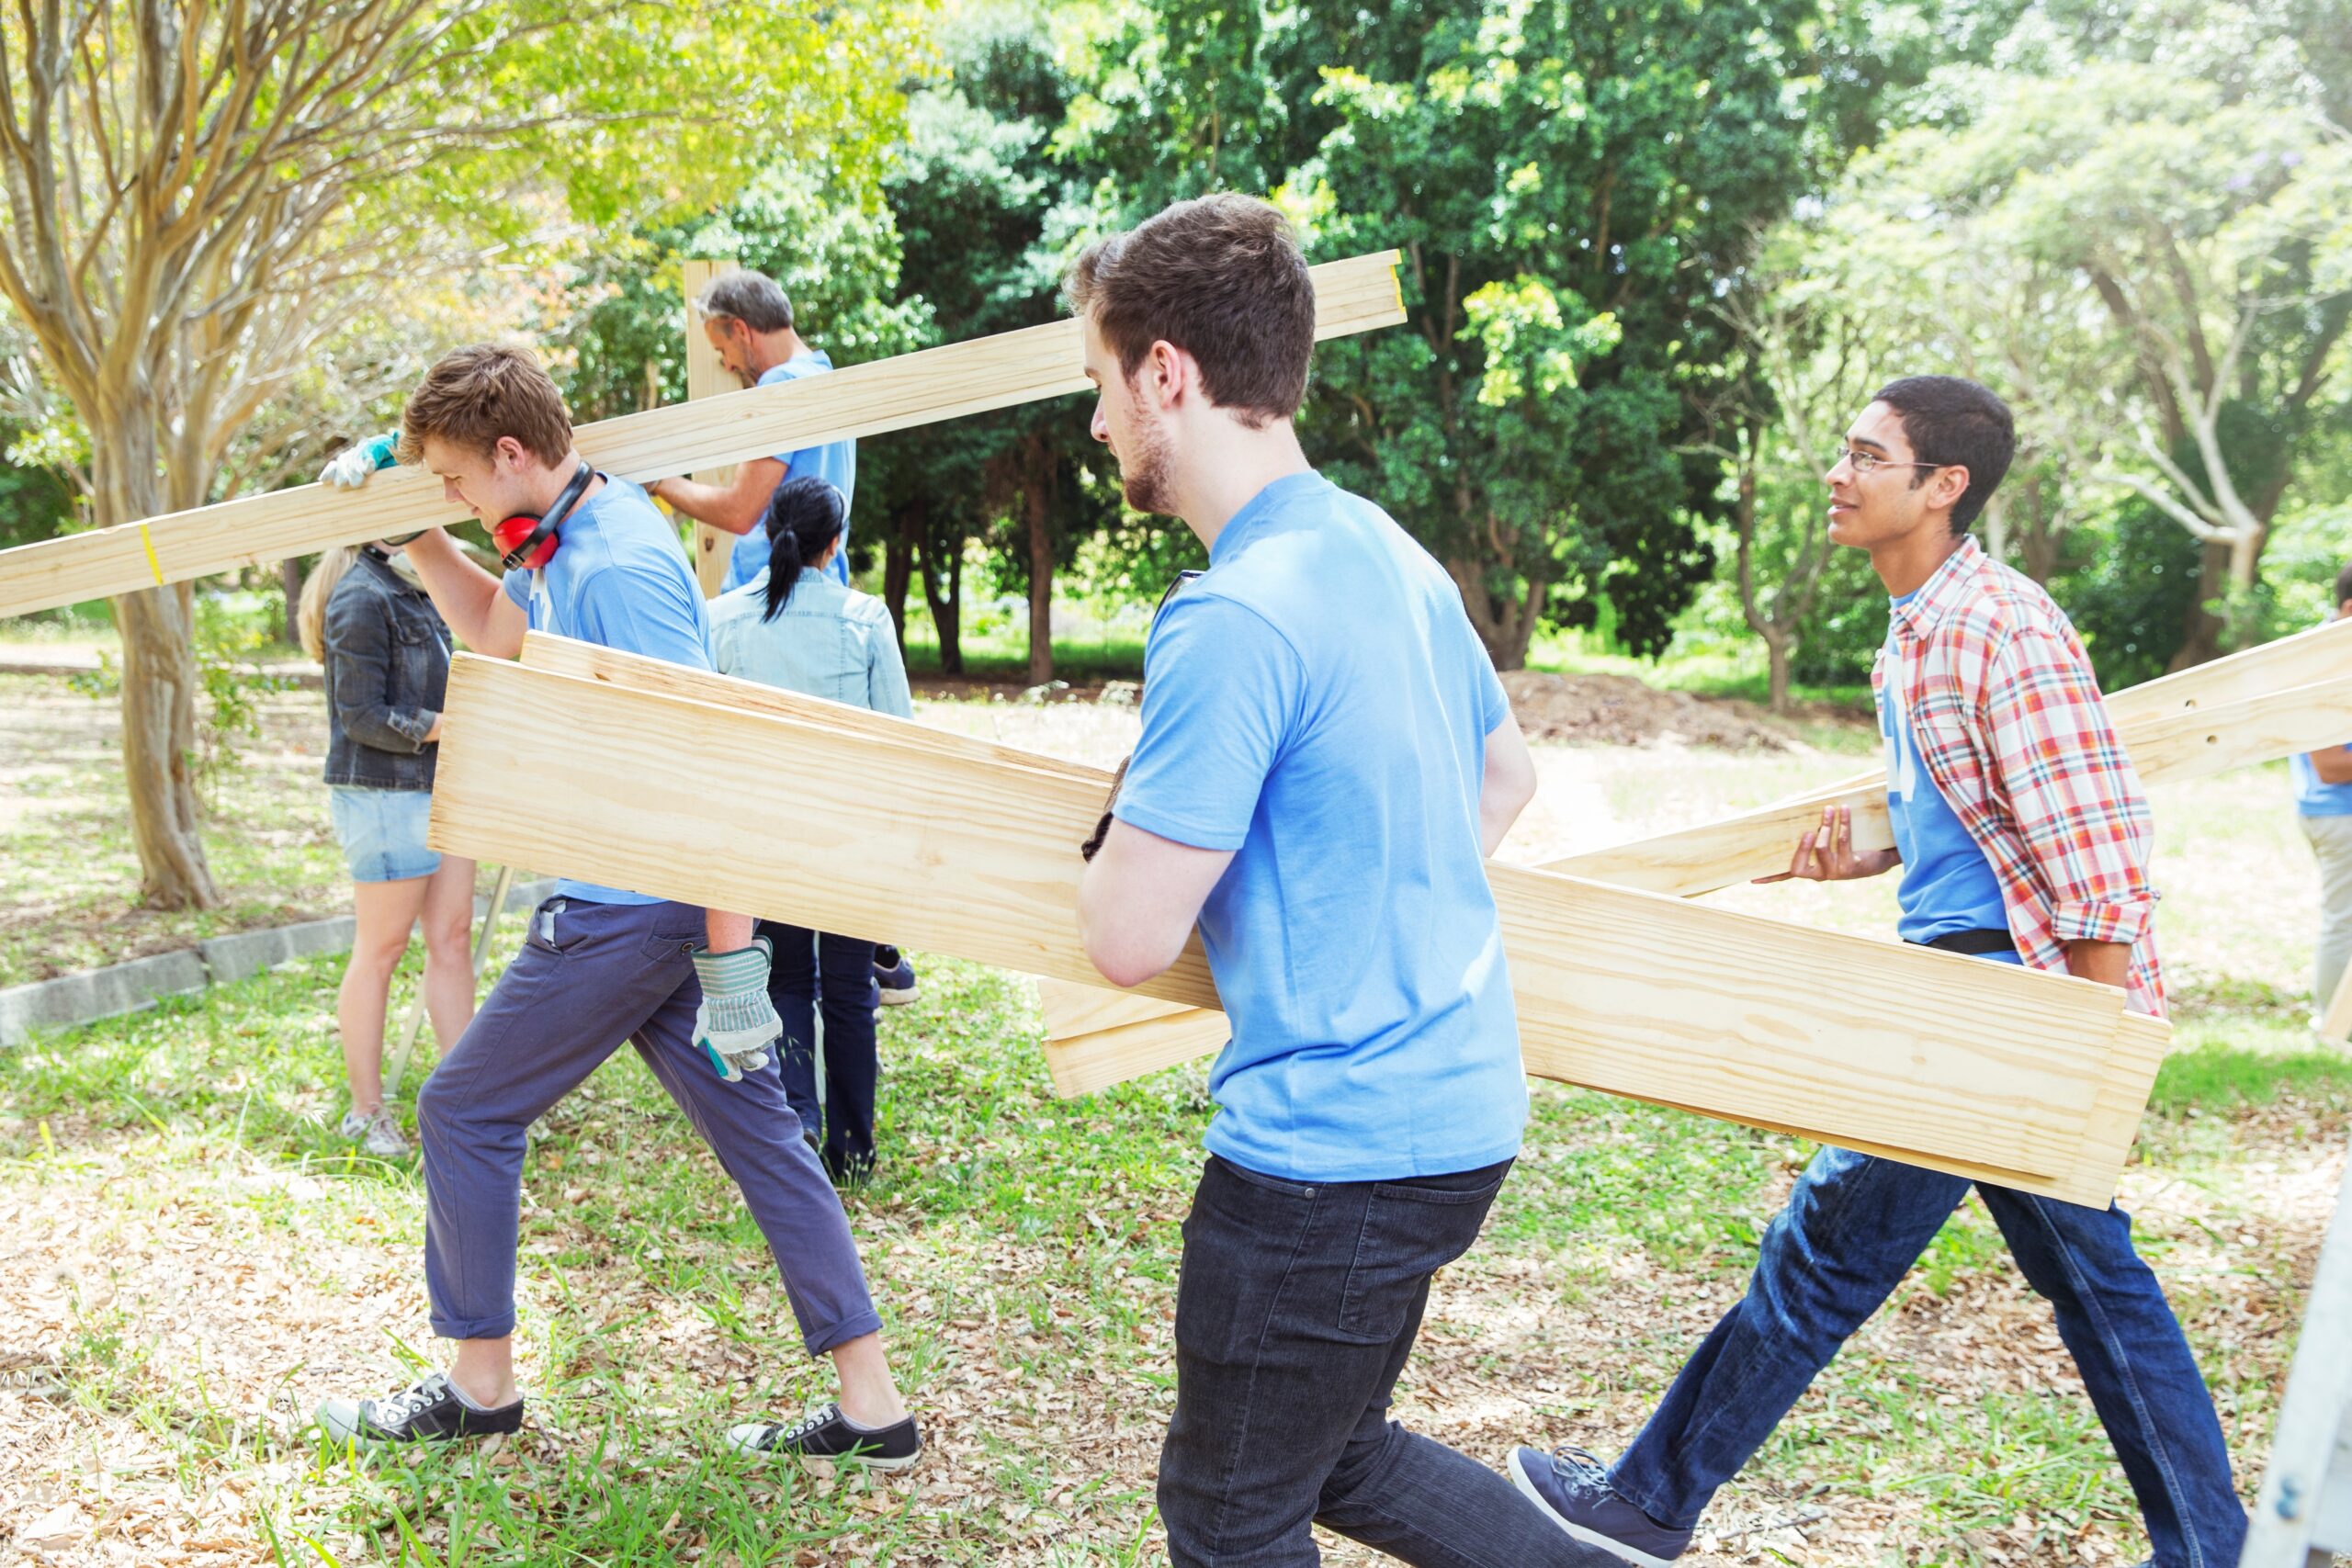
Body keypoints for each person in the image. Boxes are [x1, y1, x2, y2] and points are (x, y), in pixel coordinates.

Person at [1509, 377, 2244, 1568]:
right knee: (2078, 1283)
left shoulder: (1999, 622)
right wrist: (1868, 845)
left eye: (1868, 454)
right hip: (1958, 990)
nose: (1838, 474)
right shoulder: (1918, 628)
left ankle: (1646, 1503)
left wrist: (2090, 1048)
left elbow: (2098, 840)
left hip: (2004, 1010)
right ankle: (2212, 1545)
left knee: (1840, 1256)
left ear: (1943, 485)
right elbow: (1984, 809)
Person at [1069, 194, 1607, 1568]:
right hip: (1456, 1113)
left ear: (1168, 373)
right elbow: (1505, 782)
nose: (1097, 427)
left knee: (1229, 1514)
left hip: (1328, 1154)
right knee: (1339, 1451)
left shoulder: (1232, 615)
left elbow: (1129, 933)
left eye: (1100, 386)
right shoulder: (1389, 550)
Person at [308, 345, 921, 1469]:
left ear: (508, 453)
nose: (451, 495)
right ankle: (874, 1410)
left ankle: (478, 1388)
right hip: (656, 904)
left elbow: (706, 756)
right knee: (772, 1143)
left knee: (462, 1110)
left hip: (627, 907)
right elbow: (500, 636)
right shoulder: (566, 534)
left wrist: (734, 967)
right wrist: (424, 533)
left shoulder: (618, 562)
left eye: (455, 480)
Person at [644, 271, 918, 1009]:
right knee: (832, 783)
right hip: (822, 604)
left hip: (770, 613)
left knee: (762, 792)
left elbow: (738, 511)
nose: (726, 367)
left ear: (740, 328)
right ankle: (867, 943)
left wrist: (659, 482)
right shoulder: (827, 379)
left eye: (722, 348)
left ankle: (832, 944)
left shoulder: (782, 392)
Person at [707, 476, 912, 1181]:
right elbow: (899, 737)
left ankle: (798, 1132)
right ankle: (854, 1149)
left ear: (769, 534)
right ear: (836, 542)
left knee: (787, 978)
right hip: (848, 833)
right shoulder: (865, 618)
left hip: (763, 830)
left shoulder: (722, 618)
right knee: (850, 989)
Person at [297, 536, 477, 1158]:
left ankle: (467, 1104)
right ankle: (365, 1112)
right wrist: (450, 726)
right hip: (382, 794)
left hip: (439, 786)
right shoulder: (360, 596)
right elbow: (361, 715)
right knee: (381, 950)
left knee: (452, 940)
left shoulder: (418, 584)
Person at [2294, 562, 2352, 1021]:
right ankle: (2331, 1028)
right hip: (2339, 814)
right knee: (2344, 924)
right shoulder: (2321, 661)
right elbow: (2330, 765)